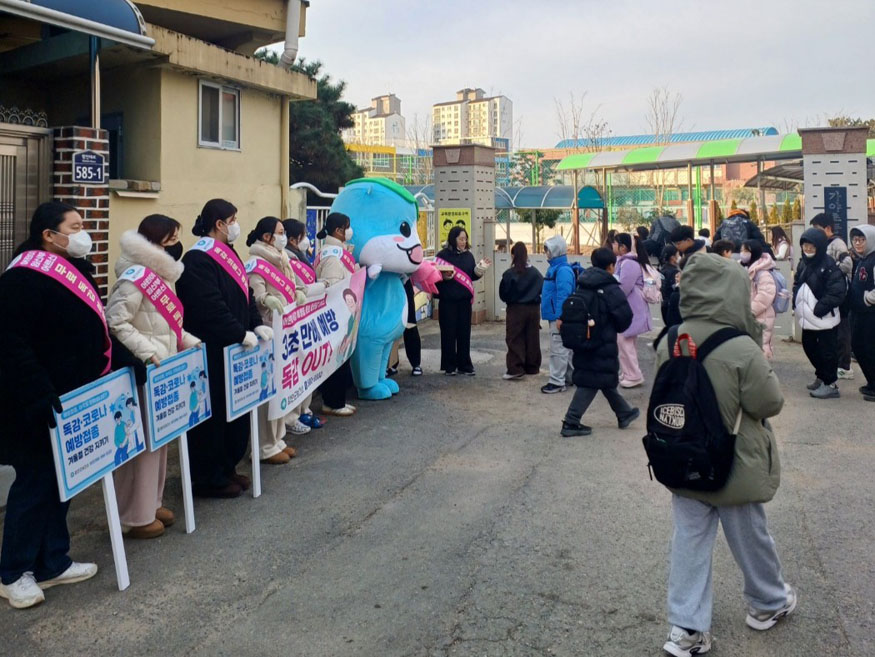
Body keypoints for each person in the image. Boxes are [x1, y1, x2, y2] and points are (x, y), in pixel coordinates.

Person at [0, 202, 145, 608]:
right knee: (35, 483)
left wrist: (126, 361)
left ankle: (52, 561)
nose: (84, 233)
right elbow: (11, 344)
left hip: (77, 400)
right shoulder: (22, 279)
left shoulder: (77, 271)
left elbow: (93, 330)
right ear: (50, 234)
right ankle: (14, 572)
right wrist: (37, 392)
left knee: (64, 481)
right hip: (37, 401)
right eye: (76, 226)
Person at [655, 253, 795, 657]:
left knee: (689, 543)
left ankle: (686, 629)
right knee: (751, 537)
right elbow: (769, 402)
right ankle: (768, 603)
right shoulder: (738, 345)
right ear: (732, 291)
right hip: (735, 461)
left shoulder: (670, 337)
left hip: (682, 457)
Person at [106, 215, 202, 539]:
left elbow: (166, 323)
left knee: (160, 440)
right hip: (148, 369)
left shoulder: (161, 273)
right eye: (173, 238)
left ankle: (152, 501)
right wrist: (148, 352)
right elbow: (117, 322)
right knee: (144, 444)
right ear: (160, 241)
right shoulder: (135, 278)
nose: (177, 244)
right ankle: (135, 514)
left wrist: (185, 339)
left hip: (166, 368)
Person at [176, 199, 269, 498]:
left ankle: (227, 467)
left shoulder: (229, 253)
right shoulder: (197, 259)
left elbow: (245, 294)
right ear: (219, 224)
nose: (236, 226)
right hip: (213, 350)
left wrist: (255, 324)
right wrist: (238, 332)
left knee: (235, 413)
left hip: (237, 349)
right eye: (233, 220)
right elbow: (208, 308)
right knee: (212, 416)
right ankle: (208, 477)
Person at [245, 216, 307, 464]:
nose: (283, 236)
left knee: (283, 386)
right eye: (280, 232)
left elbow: (292, 285)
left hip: (287, 330)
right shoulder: (256, 262)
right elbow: (256, 293)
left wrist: (299, 292)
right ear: (267, 237)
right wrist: (265, 300)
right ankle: (264, 446)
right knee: (268, 390)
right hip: (269, 330)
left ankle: (278, 438)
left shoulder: (282, 258)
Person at [560, 248, 640, 437]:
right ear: (611, 266)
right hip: (602, 343)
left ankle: (624, 413)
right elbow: (625, 318)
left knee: (603, 379)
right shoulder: (610, 288)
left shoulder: (583, 283)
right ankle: (571, 421)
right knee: (591, 381)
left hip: (584, 340)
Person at [281, 219, 326, 429]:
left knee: (306, 368)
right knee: (294, 372)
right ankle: (292, 417)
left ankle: (304, 410)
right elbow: (302, 289)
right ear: (292, 239)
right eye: (303, 235)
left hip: (306, 320)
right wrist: (323, 286)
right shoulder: (288, 260)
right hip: (292, 323)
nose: (307, 239)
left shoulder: (300, 256)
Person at [792, 227, 847, 399]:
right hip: (808, 319)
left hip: (825, 318)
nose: (808, 250)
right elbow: (797, 283)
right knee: (809, 346)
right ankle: (821, 376)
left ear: (820, 247)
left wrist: (819, 308)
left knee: (827, 351)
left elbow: (838, 291)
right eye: (805, 246)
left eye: (812, 247)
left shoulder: (829, 265)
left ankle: (830, 383)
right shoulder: (803, 263)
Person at [315, 212, 357, 415]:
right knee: (335, 362)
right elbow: (331, 288)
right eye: (347, 227)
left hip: (343, 314)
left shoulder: (337, 251)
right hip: (336, 315)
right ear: (338, 231)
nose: (350, 231)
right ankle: (332, 402)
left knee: (342, 360)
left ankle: (337, 400)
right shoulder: (332, 256)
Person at [435, 226, 491, 376]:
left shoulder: (469, 256)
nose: (463, 242)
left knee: (464, 334)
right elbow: (434, 277)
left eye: (465, 239)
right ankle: (449, 366)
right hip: (448, 302)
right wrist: (444, 278)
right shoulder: (442, 256)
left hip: (464, 302)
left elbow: (471, 275)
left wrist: (480, 270)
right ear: (453, 239)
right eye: (461, 239)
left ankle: (464, 365)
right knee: (448, 333)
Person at [810, 213, 854, 380]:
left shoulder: (837, 243)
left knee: (842, 329)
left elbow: (847, 264)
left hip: (840, 294)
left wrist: (830, 273)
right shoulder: (825, 244)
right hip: (829, 293)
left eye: (818, 229)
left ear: (828, 228)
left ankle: (845, 366)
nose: (815, 233)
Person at [499, 242, 543, 380]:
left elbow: (503, 293)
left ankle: (515, 368)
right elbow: (542, 289)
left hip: (515, 309)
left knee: (514, 338)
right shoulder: (536, 273)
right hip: (534, 309)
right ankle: (532, 367)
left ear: (513, 256)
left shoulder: (509, 274)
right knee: (532, 337)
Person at [613, 232, 652, 388]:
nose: (613, 246)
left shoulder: (628, 263)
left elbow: (624, 288)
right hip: (631, 308)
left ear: (623, 247)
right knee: (626, 342)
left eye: (615, 244)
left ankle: (633, 375)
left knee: (624, 342)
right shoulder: (626, 261)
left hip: (631, 309)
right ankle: (628, 372)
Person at [540, 235, 576, 393]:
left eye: (548, 250)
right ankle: (568, 378)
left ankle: (556, 382)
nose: (546, 253)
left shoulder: (561, 270)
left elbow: (564, 295)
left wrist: (561, 316)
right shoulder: (558, 268)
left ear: (555, 250)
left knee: (558, 349)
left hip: (558, 317)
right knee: (564, 348)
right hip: (557, 316)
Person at [849, 225, 875, 400]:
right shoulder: (862, 259)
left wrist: (866, 299)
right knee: (858, 347)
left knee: (869, 348)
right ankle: (871, 383)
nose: (858, 243)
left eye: (862, 239)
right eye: (855, 240)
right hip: (859, 313)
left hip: (870, 314)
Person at [741, 239, 777, 359]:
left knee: (761, 345)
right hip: (750, 315)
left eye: (746, 250)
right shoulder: (745, 268)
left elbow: (765, 296)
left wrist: (750, 311)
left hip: (761, 316)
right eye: (742, 250)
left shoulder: (762, 273)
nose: (742, 253)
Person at [387, 279, 423, 376]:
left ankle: (416, 363)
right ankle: (391, 364)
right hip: (388, 286)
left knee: (409, 324)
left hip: (405, 285)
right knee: (389, 327)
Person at [659, 245, 680, 325]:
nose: (679, 257)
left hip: (664, 303)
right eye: (678, 255)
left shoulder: (663, 269)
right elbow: (675, 288)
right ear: (673, 257)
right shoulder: (674, 272)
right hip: (671, 305)